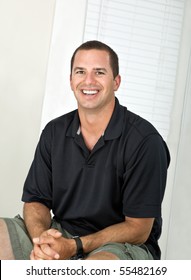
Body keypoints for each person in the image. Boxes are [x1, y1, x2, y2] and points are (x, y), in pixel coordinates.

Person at [0, 40, 170, 260]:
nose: (88, 80)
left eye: (99, 72)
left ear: (116, 82)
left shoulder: (145, 141)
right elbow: (36, 201)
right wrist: (44, 243)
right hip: (62, 233)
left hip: (120, 244)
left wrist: (74, 246)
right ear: (71, 81)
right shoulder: (54, 132)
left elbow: (138, 228)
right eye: (80, 72)